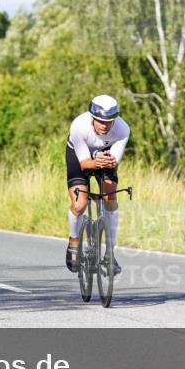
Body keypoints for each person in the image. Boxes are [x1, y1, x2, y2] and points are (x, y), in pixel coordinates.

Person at [65, 95, 130, 274]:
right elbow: (84, 164)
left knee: (110, 197)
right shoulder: (78, 126)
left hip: (105, 157)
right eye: (101, 121)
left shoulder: (123, 130)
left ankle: (110, 252)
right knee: (80, 203)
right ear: (92, 117)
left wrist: (108, 162)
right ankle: (74, 240)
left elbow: (114, 161)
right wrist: (96, 161)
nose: (105, 126)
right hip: (79, 157)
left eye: (109, 122)